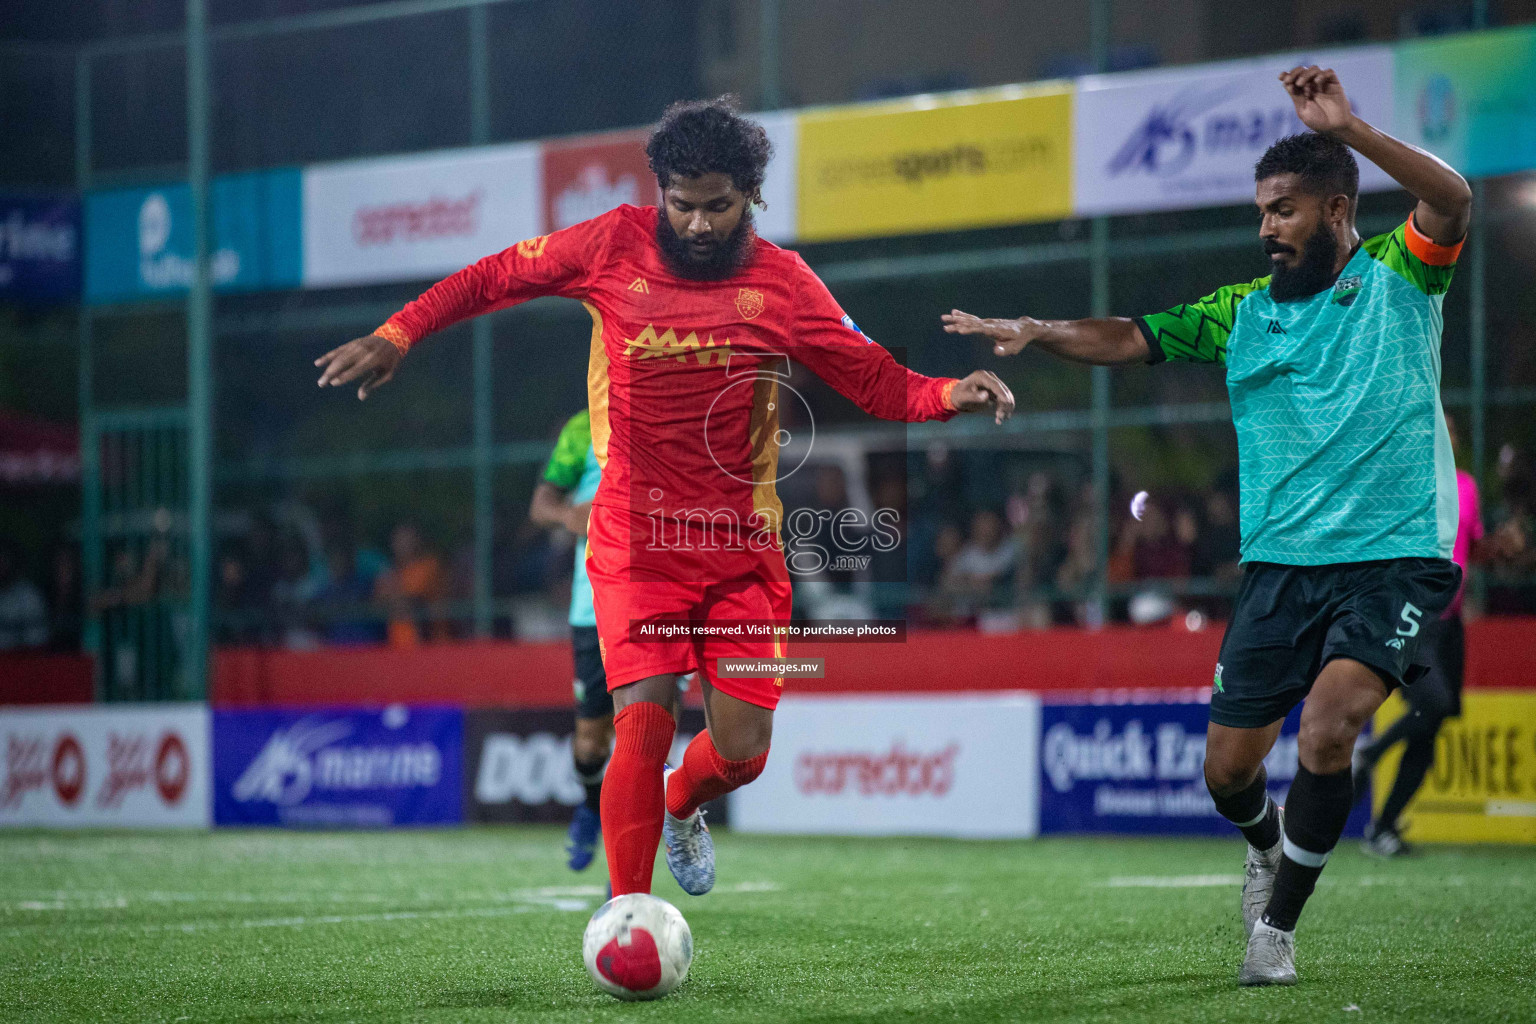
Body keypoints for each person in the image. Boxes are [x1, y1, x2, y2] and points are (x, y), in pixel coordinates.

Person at [314, 97, 1013, 904]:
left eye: (718, 205)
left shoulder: (784, 284)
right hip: (636, 545)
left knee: (743, 752)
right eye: (681, 204)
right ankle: (627, 917)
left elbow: (875, 378)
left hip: (742, 556)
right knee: (640, 724)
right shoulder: (611, 243)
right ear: (660, 193)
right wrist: (399, 332)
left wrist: (947, 393)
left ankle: (685, 801)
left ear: (751, 195)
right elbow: (499, 273)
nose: (699, 223)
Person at [944, 65, 1470, 986]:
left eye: (1285, 210)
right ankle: (1264, 845)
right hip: (1278, 568)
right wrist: (1038, 327)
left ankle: (1277, 932)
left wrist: (1349, 127)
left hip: (1392, 560)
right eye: (1263, 210)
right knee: (1227, 771)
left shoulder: (1401, 276)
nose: (1266, 226)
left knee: (1329, 730)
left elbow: (1453, 196)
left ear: (1339, 208)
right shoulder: (1243, 313)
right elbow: (1131, 336)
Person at [1352, 411, 1482, 855]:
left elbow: (1473, 543)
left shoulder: (1467, 487)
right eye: (1436, 432)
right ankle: (1369, 754)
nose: (1444, 438)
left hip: (1452, 623)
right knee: (1435, 702)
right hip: (1416, 619)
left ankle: (1382, 830)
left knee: (1433, 725)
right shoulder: (1408, 486)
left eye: (1450, 431)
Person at [528, 408, 612, 873]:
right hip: (592, 609)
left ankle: (625, 876)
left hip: (659, 604)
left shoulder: (673, 409)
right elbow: (541, 504)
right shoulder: (582, 426)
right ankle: (591, 805)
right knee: (590, 746)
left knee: (648, 733)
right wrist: (567, 516)